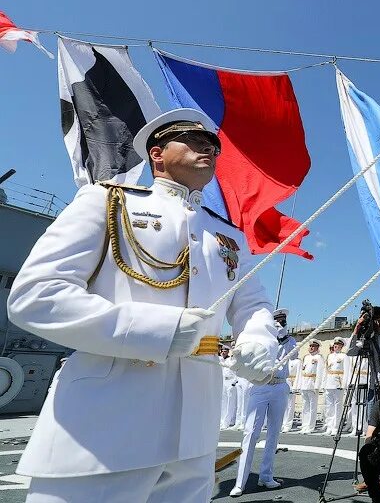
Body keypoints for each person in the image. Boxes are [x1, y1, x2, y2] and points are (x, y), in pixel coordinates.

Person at [8, 108, 278, 503]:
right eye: (195, 139)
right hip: (102, 428)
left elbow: (253, 304)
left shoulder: (228, 235)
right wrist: (157, 331)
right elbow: (35, 295)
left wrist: (258, 338)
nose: (210, 148)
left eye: (214, 145)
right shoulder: (107, 202)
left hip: (195, 436)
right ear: (157, 154)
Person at [231, 308, 298, 497]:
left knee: (273, 434)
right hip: (260, 386)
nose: (279, 324)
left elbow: (293, 355)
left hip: (279, 386)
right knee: (250, 432)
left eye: (282, 322)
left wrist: (283, 337)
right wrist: (270, 336)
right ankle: (239, 482)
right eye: (276, 321)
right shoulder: (258, 338)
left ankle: (266, 476)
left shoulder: (289, 340)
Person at [347, 306, 380, 384]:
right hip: (374, 385)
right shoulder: (368, 341)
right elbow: (350, 351)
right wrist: (357, 327)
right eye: (376, 319)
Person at [296, 340, 325, 434]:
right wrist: (300, 385)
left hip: (312, 384)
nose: (311, 348)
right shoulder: (306, 357)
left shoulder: (319, 358)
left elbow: (320, 372)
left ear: (317, 348)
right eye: (310, 346)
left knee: (312, 407)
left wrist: (317, 386)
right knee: (305, 406)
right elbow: (302, 372)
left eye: (313, 346)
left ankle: (311, 426)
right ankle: (304, 425)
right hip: (304, 384)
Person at [324, 337, 349, 436]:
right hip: (329, 382)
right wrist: (324, 383)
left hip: (338, 382)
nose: (336, 346)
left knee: (337, 406)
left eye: (338, 344)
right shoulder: (329, 356)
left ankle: (336, 427)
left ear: (342, 346)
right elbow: (326, 370)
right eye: (335, 344)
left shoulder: (344, 356)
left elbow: (346, 371)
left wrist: (344, 384)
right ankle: (329, 426)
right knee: (329, 406)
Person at [220, 345, 238, 429]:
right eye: (222, 351)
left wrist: (234, 382)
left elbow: (236, 372)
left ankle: (227, 422)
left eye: (225, 351)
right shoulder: (223, 360)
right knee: (223, 402)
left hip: (231, 382)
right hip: (224, 381)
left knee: (230, 403)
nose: (223, 352)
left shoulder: (234, 360)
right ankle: (223, 420)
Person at [282, 355, 301, 432]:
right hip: (285, 382)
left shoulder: (298, 361)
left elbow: (298, 374)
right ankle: (283, 423)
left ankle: (288, 425)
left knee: (290, 406)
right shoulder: (286, 360)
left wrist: (295, 386)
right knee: (284, 405)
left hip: (292, 383)